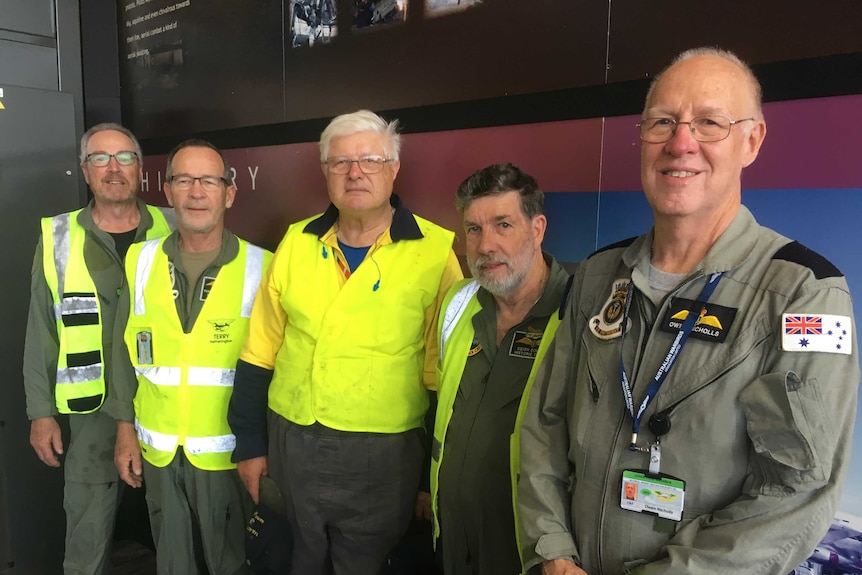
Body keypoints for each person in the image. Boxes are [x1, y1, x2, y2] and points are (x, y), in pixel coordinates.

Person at [517, 47, 859, 575]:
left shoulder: (805, 293)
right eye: (663, 122)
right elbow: (544, 425)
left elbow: (792, 497)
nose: (681, 143)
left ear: (752, 140)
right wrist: (552, 552)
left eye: (709, 123)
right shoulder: (598, 276)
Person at [228, 109, 463, 575]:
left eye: (370, 160)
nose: (354, 172)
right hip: (291, 441)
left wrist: (425, 479)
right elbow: (258, 351)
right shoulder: (296, 242)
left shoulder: (436, 253)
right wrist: (251, 446)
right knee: (296, 560)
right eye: (340, 163)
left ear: (394, 169)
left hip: (384, 455)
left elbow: (445, 377)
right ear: (325, 173)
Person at [108, 140, 272, 574]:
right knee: (172, 564)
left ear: (229, 193)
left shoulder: (264, 269)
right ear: (167, 190)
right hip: (159, 453)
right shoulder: (139, 260)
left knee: (232, 563)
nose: (196, 192)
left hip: (228, 456)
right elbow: (124, 352)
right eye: (184, 180)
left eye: (209, 181)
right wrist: (126, 430)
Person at [23, 122, 175, 575]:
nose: (113, 168)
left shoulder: (173, 225)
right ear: (84, 171)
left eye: (124, 157)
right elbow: (41, 329)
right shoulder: (57, 237)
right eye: (100, 159)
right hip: (91, 418)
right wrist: (40, 412)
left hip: (163, 407)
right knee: (86, 544)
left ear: (140, 168)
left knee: (175, 536)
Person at [430, 163, 570, 575]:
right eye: (473, 229)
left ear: (538, 228)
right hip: (453, 541)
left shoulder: (576, 315)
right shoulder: (458, 303)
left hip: (529, 550)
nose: (486, 245)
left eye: (503, 225)